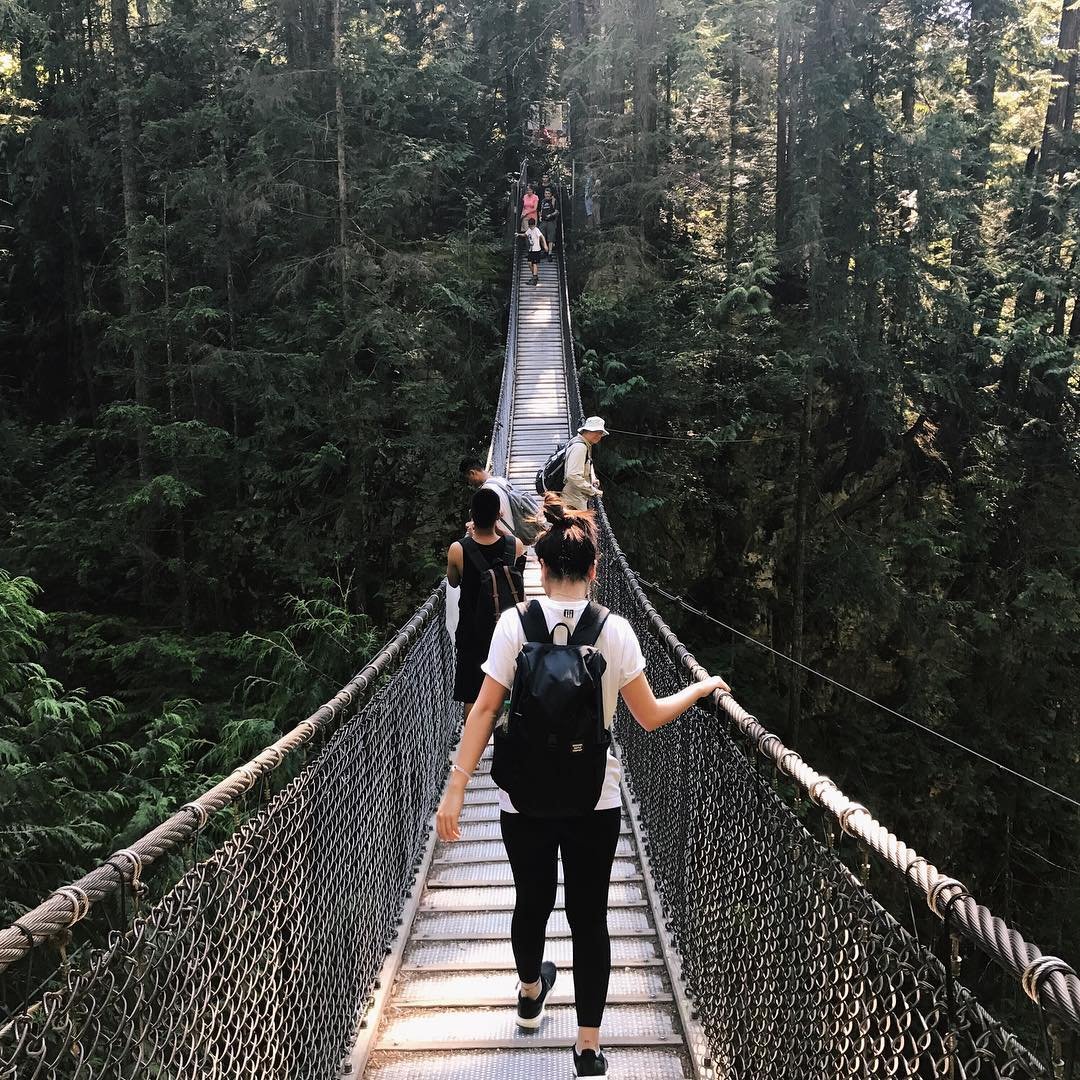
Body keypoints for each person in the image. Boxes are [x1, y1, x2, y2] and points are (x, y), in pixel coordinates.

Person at [437, 496, 730, 1078]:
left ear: (538, 571)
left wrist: (456, 787)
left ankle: (528, 991)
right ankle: (589, 1049)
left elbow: (483, 712)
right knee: (589, 918)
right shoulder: (614, 630)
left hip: (521, 795)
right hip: (595, 798)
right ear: (596, 570)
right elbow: (647, 716)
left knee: (532, 900)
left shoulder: (512, 625)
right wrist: (699, 690)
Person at [446, 487, 526, 723]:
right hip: (508, 631)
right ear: (499, 515)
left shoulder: (458, 549)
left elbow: (452, 581)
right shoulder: (516, 546)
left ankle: (474, 756)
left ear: (472, 514)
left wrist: (468, 539)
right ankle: (506, 741)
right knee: (509, 689)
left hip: (472, 634)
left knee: (472, 693)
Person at [460, 456, 514, 539]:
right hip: (515, 536)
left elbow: (492, 518)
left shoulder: (486, 491)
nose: (470, 483)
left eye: (468, 479)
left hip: (504, 542)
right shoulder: (501, 480)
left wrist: (473, 525)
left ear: (472, 473)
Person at [562, 416, 607, 510]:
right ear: (587, 430)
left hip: (574, 497)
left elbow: (588, 463)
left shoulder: (583, 443)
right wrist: (593, 490)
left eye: (600, 433)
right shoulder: (580, 447)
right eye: (595, 431)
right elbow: (572, 475)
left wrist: (592, 478)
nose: (598, 436)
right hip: (573, 501)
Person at [518, 217, 548, 286]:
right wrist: (518, 235)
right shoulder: (529, 230)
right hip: (531, 250)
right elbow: (525, 235)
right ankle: (535, 276)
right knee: (529, 263)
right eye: (530, 226)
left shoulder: (536, 230)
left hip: (536, 250)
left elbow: (542, 237)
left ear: (534, 225)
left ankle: (534, 279)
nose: (531, 227)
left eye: (532, 226)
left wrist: (545, 246)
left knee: (534, 264)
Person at [539, 185, 559, 261]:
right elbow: (540, 210)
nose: (547, 195)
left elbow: (557, 212)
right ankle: (545, 251)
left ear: (550, 194)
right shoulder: (543, 201)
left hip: (551, 221)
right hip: (543, 221)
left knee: (551, 238)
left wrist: (551, 215)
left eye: (548, 193)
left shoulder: (554, 201)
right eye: (546, 193)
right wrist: (540, 216)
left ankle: (550, 253)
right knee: (541, 236)